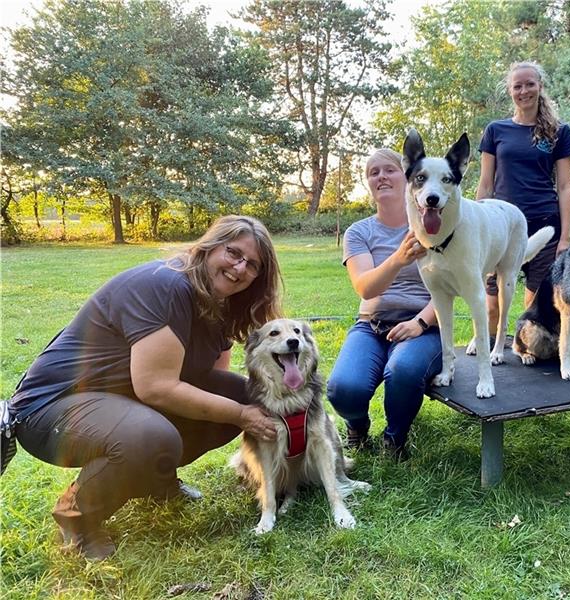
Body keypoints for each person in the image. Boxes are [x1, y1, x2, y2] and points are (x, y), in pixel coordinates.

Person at [9, 216, 283, 560]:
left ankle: (156, 479)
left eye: (253, 265)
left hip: (118, 399)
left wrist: (238, 408)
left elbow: (208, 380)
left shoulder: (220, 301)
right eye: (233, 252)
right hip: (52, 407)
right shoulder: (165, 285)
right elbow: (156, 388)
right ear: (211, 246)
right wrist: (242, 416)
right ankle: (77, 516)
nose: (240, 268)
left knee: (238, 394)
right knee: (154, 435)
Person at [326, 148, 442, 461]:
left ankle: (395, 438)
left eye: (388, 170)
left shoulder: (436, 224)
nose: (381, 177)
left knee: (402, 369)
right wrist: (399, 257)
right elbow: (366, 287)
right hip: (372, 326)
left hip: (425, 326)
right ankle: (357, 427)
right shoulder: (359, 232)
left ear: (406, 178)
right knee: (342, 389)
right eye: (373, 172)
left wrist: (419, 324)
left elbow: (449, 288)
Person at [476, 60, 570, 332]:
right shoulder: (495, 131)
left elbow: (566, 186)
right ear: (509, 90)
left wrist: (565, 237)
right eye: (517, 86)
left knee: (533, 307)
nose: (524, 91)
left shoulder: (559, 131)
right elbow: (485, 185)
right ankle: (490, 353)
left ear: (540, 86)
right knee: (492, 305)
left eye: (530, 84)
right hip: (500, 227)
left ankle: (525, 354)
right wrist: (476, 229)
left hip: (544, 224)